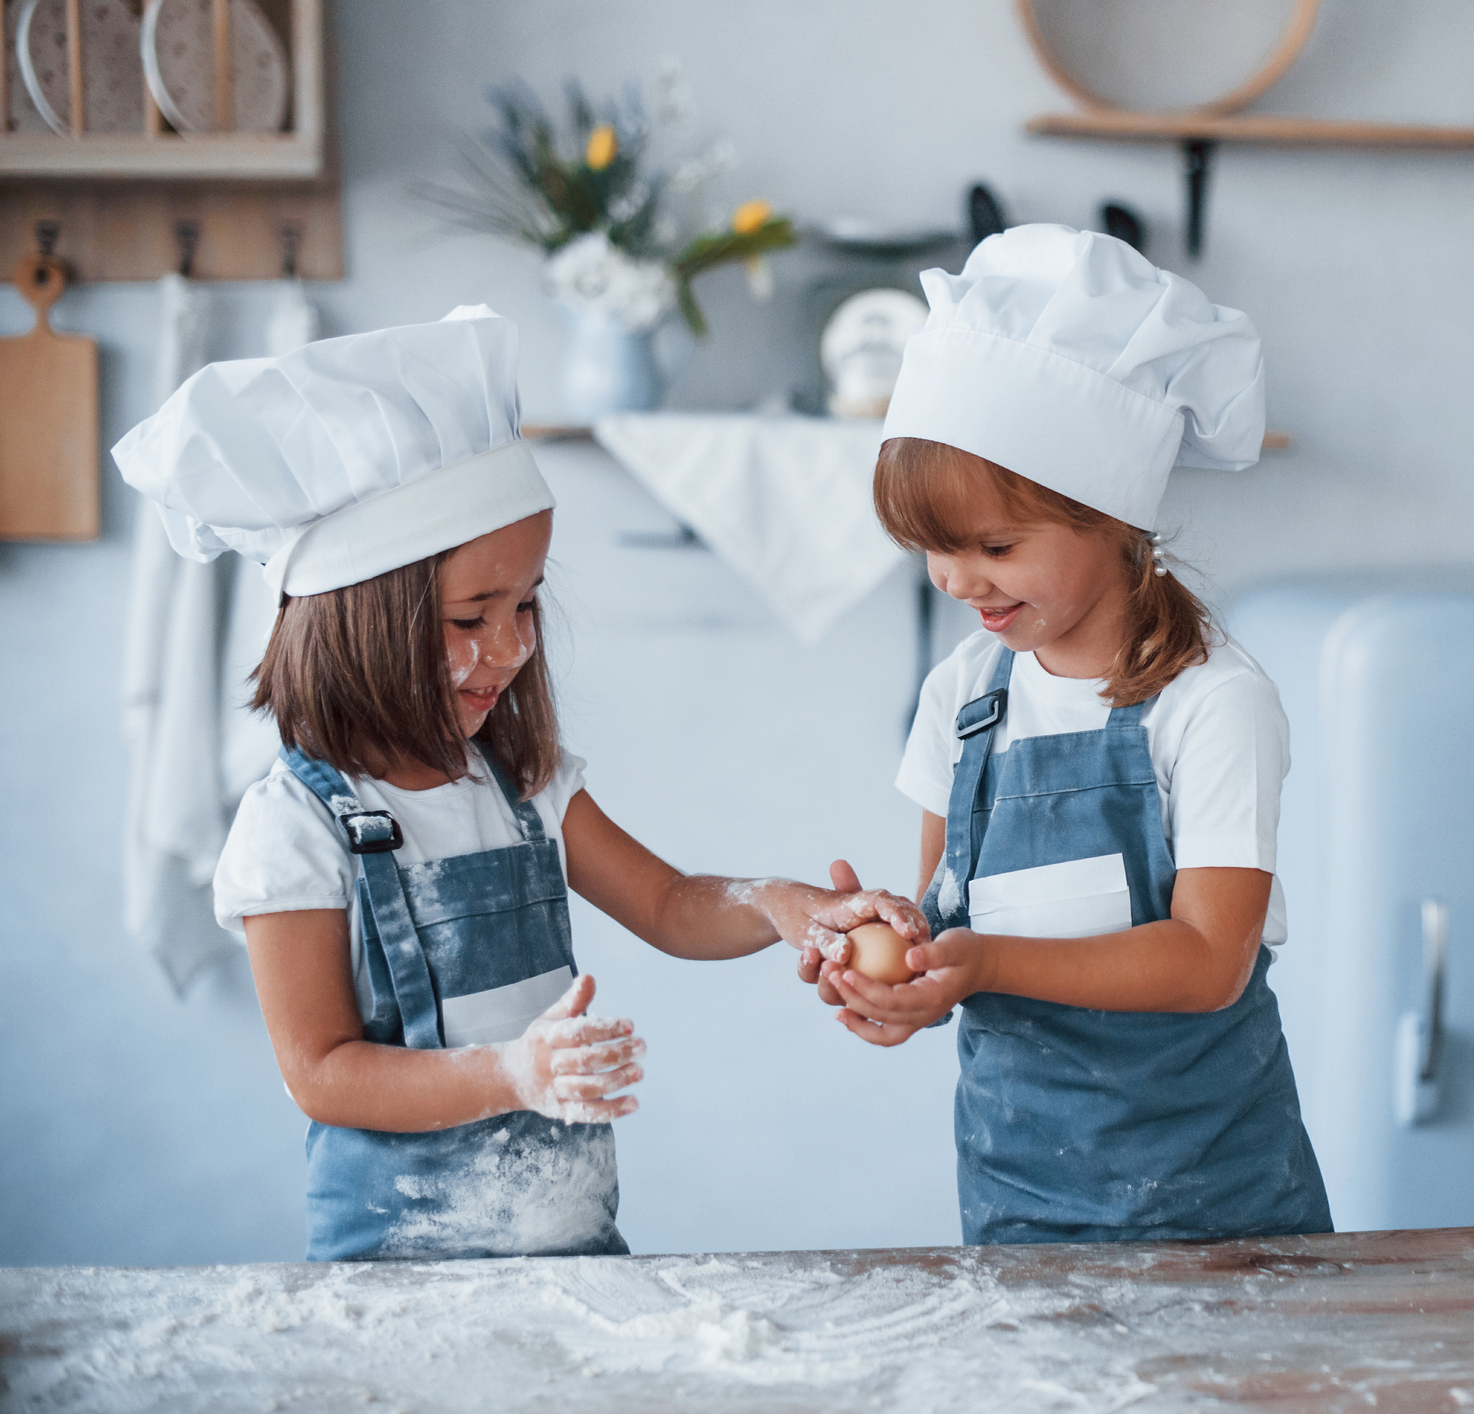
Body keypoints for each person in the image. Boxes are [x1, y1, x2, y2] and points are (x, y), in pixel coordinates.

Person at [115, 307, 924, 1262]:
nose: (510, 646)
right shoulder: (295, 829)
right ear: (358, 623)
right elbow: (321, 1074)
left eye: (526, 602)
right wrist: (513, 1074)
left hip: (574, 1256)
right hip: (398, 1276)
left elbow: (667, 904)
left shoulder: (520, 785)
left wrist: (788, 907)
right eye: (470, 617)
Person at [801, 226, 1333, 1245]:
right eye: (932, 550)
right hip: (1018, 1212)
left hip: (1214, 1219)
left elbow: (1207, 958)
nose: (959, 581)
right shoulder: (963, 695)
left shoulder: (1212, 702)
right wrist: (889, 965)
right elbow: (939, 913)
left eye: (995, 546)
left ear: (1112, 516)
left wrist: (983, 963)